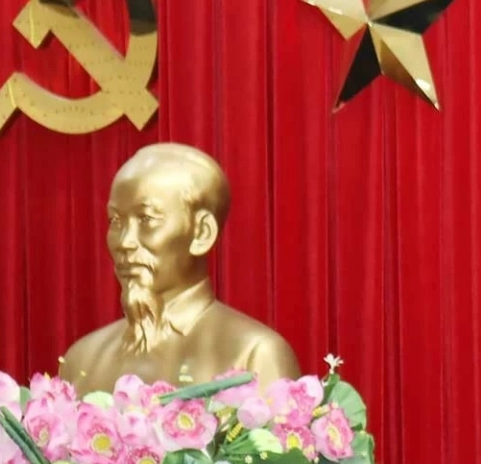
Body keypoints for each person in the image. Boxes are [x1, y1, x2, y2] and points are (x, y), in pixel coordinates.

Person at [59, 142, 301, 395]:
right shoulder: (82, 360)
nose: (125, 242)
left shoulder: (254, 355)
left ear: (202, 233)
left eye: (146, 219)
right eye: (116, 221)